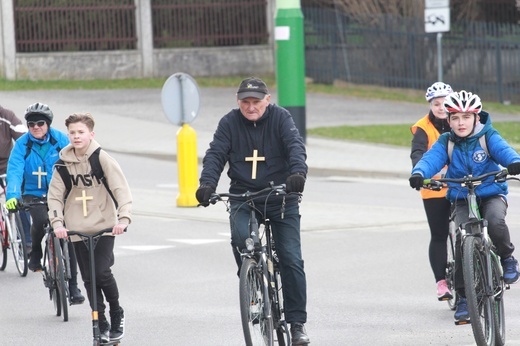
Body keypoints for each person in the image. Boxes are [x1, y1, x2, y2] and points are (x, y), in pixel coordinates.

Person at [195, 77, 310, 345]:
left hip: (281, 196)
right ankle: (253, 287)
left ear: (267, 100)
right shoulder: (229, 123)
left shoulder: (281, 118)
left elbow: (295, 146)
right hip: (243, 196)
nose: (250, 107)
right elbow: (215, 154)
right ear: (238, 102)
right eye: (245, 102)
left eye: (256, 101)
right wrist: (207, 184)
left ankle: (296, 324)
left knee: (291, 259)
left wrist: (297, 174)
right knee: (240, 239)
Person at [409, 90, 520, 324]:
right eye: (455, 118)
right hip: (461, 197)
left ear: (476, 118)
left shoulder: (487, 136)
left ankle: (508, 257)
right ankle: (463, 299)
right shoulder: (446, 141)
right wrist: (419, 172)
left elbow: (504, 150)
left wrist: (513, 162)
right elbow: (431, 159)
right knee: (462, 242)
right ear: (448, 121)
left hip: (491, 193)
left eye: (466, 117)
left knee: (496, 220)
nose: (461, 123)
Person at [47, 113, 132, 343]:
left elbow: (121, 190)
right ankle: (100, 322)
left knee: (101, 272)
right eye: (72, 133)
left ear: (91, 134)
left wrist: (123, 219)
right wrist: (58, 224)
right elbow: (54, 197)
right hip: (76, 230)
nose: (76, 136)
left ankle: (116, 313)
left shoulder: (101, 158)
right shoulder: (62, 164)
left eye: (81, 132)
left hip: (104, 227)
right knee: (88, 279)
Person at [5, 102, 85, 304]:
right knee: (40, 220)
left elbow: (77, 162)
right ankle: (36, 252)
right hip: (33, 193)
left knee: (68, 234)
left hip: (60, 192)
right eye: (31, 124)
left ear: (48, 124)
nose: (36, 127)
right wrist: (12, 196)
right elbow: (14, 170)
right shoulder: (22, 145)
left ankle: (74, 287)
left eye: (40, 123)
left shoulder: (61, 140)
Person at [410, 82, 453, 301]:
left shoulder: (460, 120)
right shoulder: (423, 127)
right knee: (439, 234)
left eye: (445, 103)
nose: (441, 107)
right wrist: (420, 174)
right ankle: (441, 282)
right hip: (434, 188)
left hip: (459, 184)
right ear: (431, 105)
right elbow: (417, 153)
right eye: (436, 104)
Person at [0, 105, 32, 245]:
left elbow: (26, 138)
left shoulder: (6, 116)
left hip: (6, 169)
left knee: (19, 199)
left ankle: (27, 243)